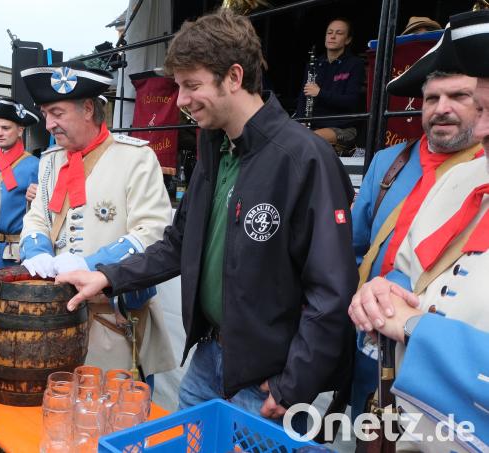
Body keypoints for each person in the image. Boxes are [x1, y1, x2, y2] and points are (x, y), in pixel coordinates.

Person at [56, 8, 357, 422]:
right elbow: (179, 244)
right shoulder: (213, 150)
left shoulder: (305, 159)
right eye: (179, 86)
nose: (180, 101)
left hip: (269, 380)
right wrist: (108, 276)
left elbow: (331, 291)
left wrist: (295, 385)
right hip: (207, 361)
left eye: (191, 85)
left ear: (234, 77)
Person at [350, 11, 489, 452]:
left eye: (463, 97)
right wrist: (372, 294)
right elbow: (385, 262)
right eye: (432, 98)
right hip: (375, 359)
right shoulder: (393, 166)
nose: (443, 108)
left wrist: (413, 326)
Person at [19, 60, 175, 384]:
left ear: (88, 108)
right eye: (45, 113)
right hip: (60, 318)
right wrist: (36, 250)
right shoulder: (50, 161)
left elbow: (153, 232)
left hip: (115, 318)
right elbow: (38, 216)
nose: (48, 124)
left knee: (115, 421)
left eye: (57, 113)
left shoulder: (136, 157)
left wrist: (90, 264)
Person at [0, 98, 40, 271]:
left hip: (16, 251)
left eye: (6, 128)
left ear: (20, 130)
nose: (0, 133)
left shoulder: (35, 165)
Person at [296, 17, 365, 155]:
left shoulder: (355, 64)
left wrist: (320, 93)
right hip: (313, 126)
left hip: (343, 127)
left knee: (308, 140)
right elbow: (302, 99)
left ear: (348, 40)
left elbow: (352, 102)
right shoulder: (314, 64)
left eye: (339, 33)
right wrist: (301, 120)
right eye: (329, 32)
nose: (332, 36)